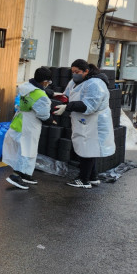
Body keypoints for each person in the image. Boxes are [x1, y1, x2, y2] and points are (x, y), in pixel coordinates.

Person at [53, 59, 115, 188]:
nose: (74, 74)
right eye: (73, 72)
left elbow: (90, 106)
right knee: (86, 148)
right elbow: (68, 95)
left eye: (78, 72)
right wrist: (59, 98)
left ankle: (83, 179)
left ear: (86, 71)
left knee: (89, 150)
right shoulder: (75, 82)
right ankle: (92, 177)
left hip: (94, 122)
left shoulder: (95, 84)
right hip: (82, 121)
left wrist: (68, 106)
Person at [3, 67, 53, 190]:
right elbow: (44, 115)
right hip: (29, 125)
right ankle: (16, 175)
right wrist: (52, 120)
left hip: (19, 121)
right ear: (45, 82)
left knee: (27, 150)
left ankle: (26, 174)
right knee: (26, 151)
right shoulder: (41, 96)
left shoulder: (25, 87)